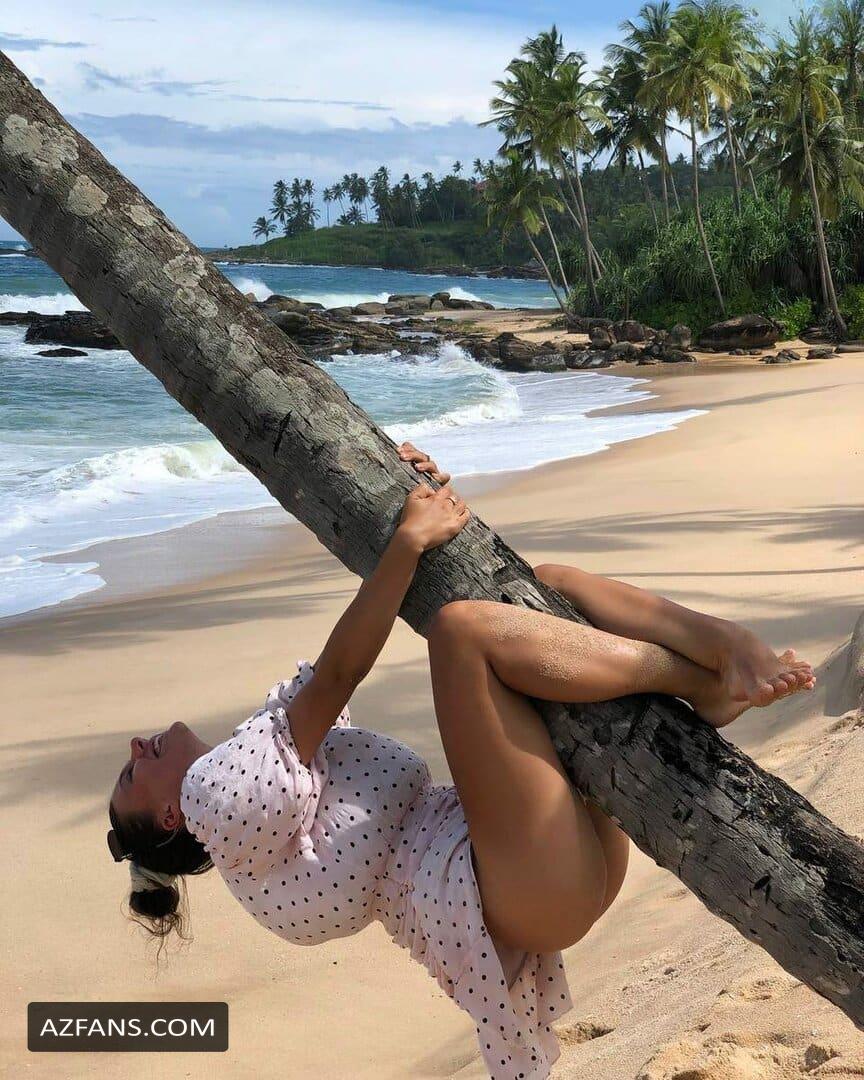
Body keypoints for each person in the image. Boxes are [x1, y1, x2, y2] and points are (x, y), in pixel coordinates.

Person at [107, 441, 814, 1079]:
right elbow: (339, 673)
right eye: (131, 773)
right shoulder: (215, 798)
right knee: (461, 633)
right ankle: (705, 676)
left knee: (542, 589)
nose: (137, 749)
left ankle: (717, 655)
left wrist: (410, 493)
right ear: (170, 815)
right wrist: (408, 540)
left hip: (532, 874)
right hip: (513, 886)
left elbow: (352, 660)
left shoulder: (256, 781)